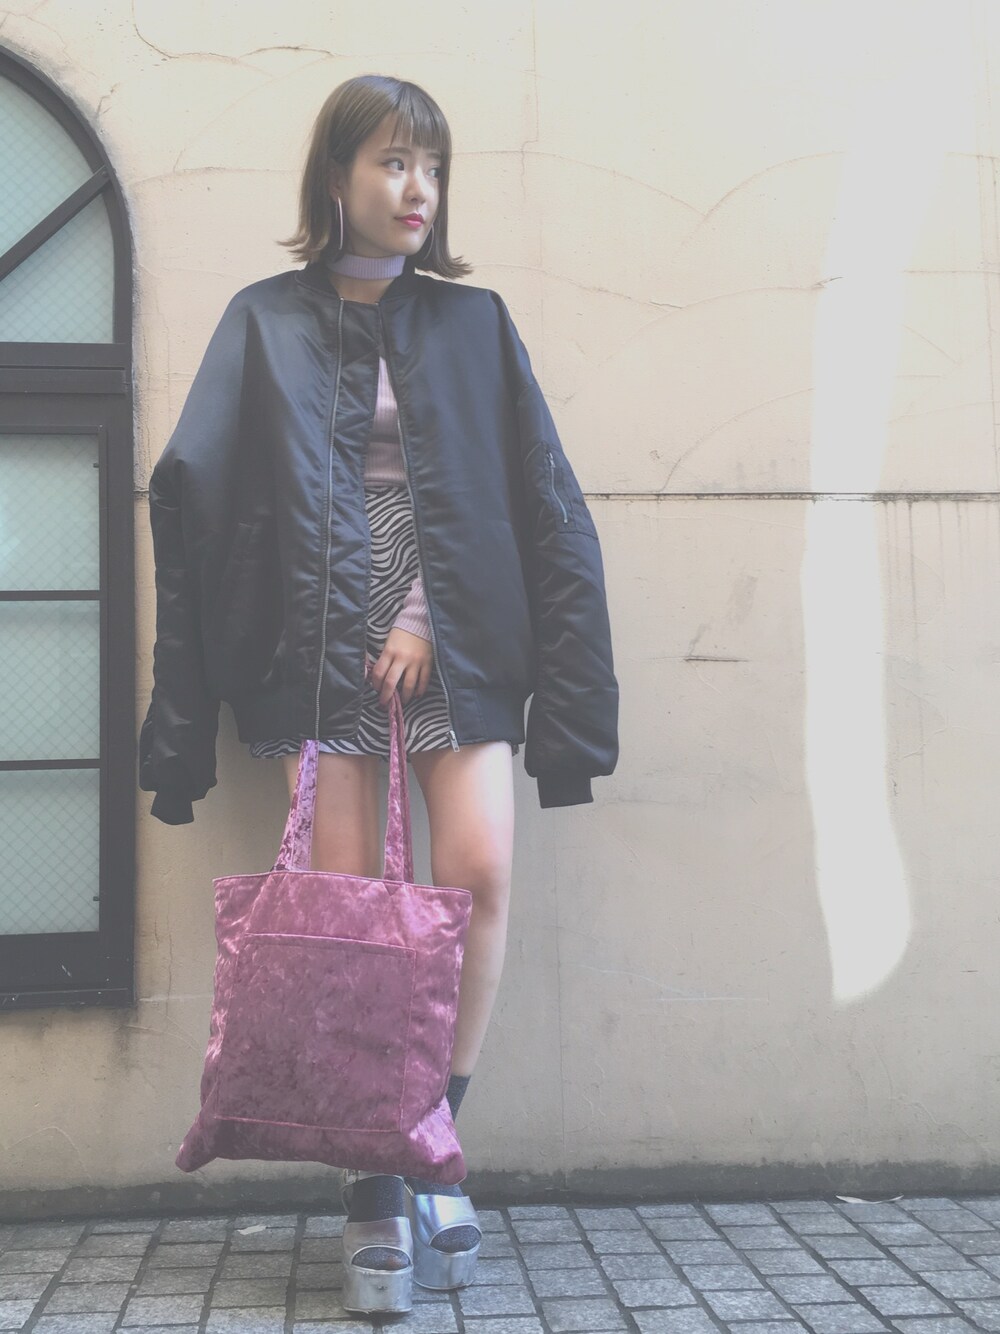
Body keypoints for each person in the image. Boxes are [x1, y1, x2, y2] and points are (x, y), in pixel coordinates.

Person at [139, 74, 619, 1314]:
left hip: (454, 625)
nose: (418, 189)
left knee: (477, 874)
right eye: (394, 162)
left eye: (433, 166)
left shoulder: (474, 322)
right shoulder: (264, 320)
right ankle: (373, 1190)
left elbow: (530, 496)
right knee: (351, 913)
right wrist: (194, 713)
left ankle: (428, 1134)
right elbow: (199, 498)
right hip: (321, 641)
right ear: (338, 175)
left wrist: (428, 616)